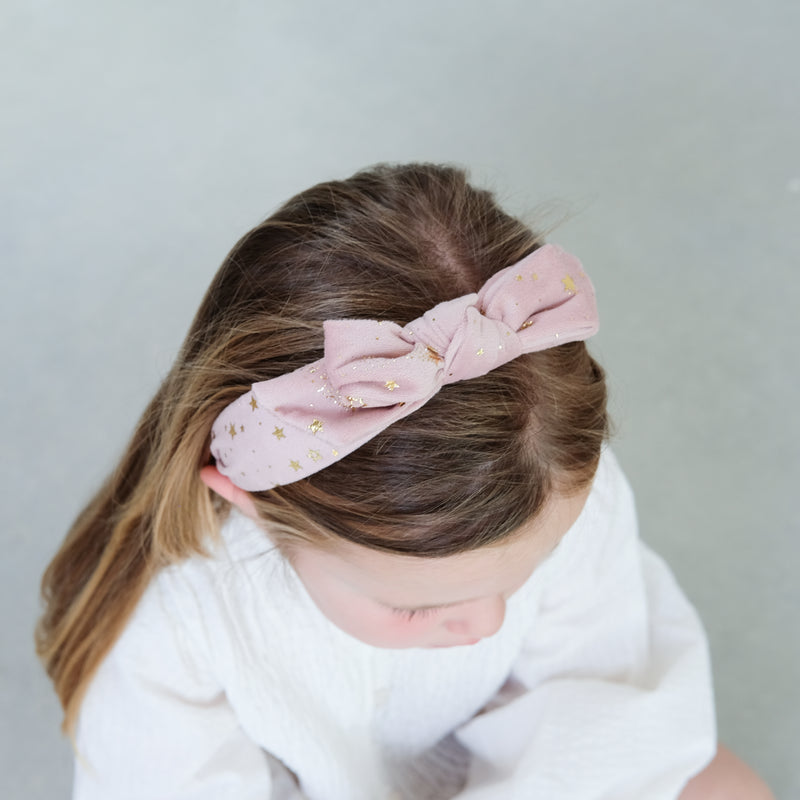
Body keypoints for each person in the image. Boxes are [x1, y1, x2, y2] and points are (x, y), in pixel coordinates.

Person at [36, 163, 773, 799]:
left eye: (529, 574)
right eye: (415, 609)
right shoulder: (177, 620)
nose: (487, 625)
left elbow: (594, 714)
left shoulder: (546, 488)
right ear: (254, 507)